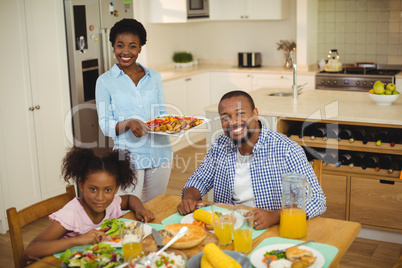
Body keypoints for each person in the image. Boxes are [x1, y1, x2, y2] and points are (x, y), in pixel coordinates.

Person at [177, 90, 326, 230]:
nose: (233, 122)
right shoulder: (220, 144)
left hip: (271, 228)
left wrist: (275, 216)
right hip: (228, 228)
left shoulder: (287, 150)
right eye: (225, 118)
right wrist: (189, 198)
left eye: (240, 114)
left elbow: (317, 200)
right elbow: (200, 179)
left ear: (255, 114)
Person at [24, 147, 154, 259]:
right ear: (81, 186)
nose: (100, 198)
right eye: (93, 189)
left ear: (116, 188)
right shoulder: (71, 214)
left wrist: (139, 210)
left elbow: (131, 198)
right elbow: (31, 250)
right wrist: (77, 240)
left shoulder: (111, 203)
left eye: (108, 190)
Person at [96, 18, 172, 203]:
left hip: (160, 153)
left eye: (132, 46)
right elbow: (105, 125)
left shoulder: (154, 77)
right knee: (129, 212)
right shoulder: (105, 81)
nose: (126, 52)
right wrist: (128, 123)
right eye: (120, 45)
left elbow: (161, 112)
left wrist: (172, 125)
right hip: (128, 158)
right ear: (113, 47)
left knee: (155, 208)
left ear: (140, 48)